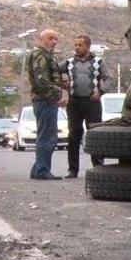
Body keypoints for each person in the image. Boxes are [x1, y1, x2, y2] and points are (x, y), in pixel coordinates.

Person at [60, 34, 109, 178]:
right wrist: (61, 84)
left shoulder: (98, 62)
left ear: (87, 46)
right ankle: (72, 170)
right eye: (75, 45)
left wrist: (101, 92)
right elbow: (54, 72)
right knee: (74, 134)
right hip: (74, 102)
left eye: (80, 45)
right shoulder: (69, 62)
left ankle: (98, 167)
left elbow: (109, 78)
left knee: (94, 134)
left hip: (92, 102)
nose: (77, 47)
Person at [27, 29, 67, 180]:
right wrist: (56, 97)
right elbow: (42, 82)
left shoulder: (47, 55)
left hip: (45, 100)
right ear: (41, 39)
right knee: (47, 136)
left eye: (56, 39)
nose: (54, 42)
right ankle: (42, 170)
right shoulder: (40, 55)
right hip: (45, 100)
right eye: (51, 38)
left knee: (45, 134)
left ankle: (38, 168)